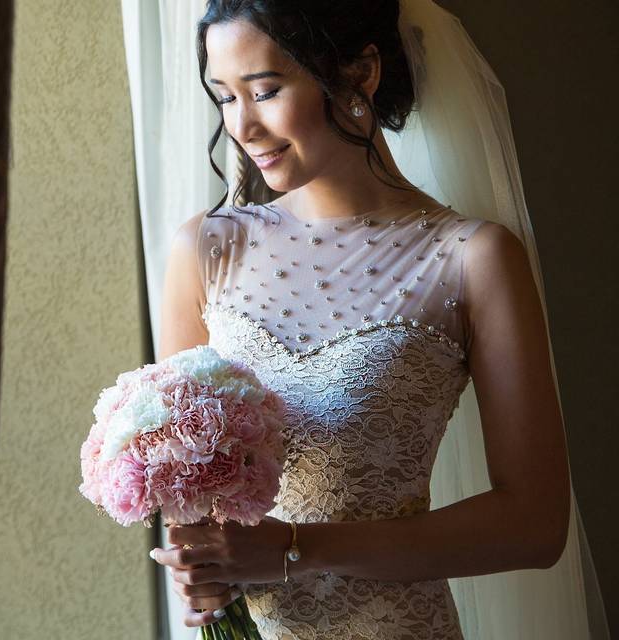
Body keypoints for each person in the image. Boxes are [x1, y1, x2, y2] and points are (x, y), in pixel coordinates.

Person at [149, 1, 607, 638]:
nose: (243, 128)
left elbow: (533, 526)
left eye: (266, 91)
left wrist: (297, 550)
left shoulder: (472, 258)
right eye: (225, 97)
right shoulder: (208, 249)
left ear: (360, 73)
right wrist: (198, 570)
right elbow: (181, 481)